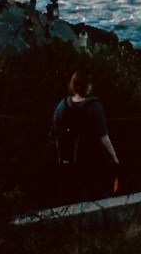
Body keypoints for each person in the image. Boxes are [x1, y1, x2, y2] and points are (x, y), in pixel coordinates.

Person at [51, 68, 120, 203]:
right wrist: (114, 157)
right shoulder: (94, 106)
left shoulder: (62, 105)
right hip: (91, 158)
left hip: (69, 159)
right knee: (96, 193)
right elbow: (104, 137)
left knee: (72, 195)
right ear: (88, 86)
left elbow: (55, 132)